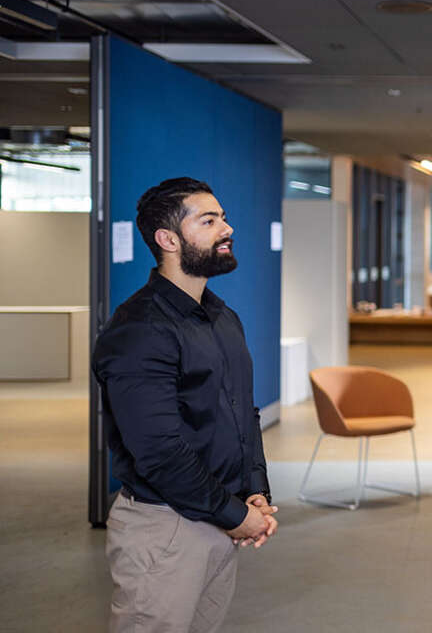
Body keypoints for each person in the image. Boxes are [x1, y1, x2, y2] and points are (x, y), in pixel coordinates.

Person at [92, 177, 280, 632]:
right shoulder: (139, 329)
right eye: (209, 220)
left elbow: (242, 413)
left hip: (218, 516)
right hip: (166, 528)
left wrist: (254, 488)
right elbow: (158, 451)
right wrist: (238, 516)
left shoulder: (221, 316)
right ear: (168, 239)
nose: (227, 228)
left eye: (224, 217)